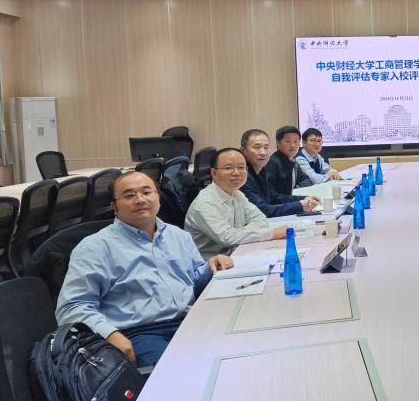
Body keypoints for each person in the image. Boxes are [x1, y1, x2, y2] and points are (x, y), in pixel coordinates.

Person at [56, 171, 233, 367]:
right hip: (140, 333)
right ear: (114, 206)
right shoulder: (95, 247)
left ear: (158, 198)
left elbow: (192, 281)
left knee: (237, 350)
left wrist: (210, 266)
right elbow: (71, 307)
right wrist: (110, 334)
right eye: (129, 195)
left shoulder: (178, 235)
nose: (140, 200)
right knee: (184, 371)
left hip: (189, 321)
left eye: (147, 192)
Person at [185, 148, 300, 259]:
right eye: (228, 168)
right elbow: (227, 238)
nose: (236, 173)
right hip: (212, 267)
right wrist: (271, 233)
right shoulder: (205, 203)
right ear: (214, 173)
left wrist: (241, 232)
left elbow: (260, 219)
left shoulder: (237, 194)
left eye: (241, 167)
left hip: (238, 254)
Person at [241, 129, 320, 217]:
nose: (263, 152)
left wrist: (305, 199)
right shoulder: (243, 176)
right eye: (257, 147)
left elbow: (275, 198)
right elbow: (262, 210)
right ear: (243, 150)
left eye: (266, 148)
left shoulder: (262, 171)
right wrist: (300, 205)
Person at [264, 125, 310, 196]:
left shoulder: (292, 161)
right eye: (288, 141)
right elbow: (271, 195)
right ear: (278, 143)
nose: (293, 145)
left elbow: (305, 179)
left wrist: (295, 191)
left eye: (296, 141)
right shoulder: (272, 162)